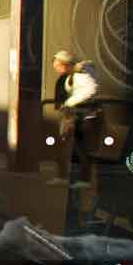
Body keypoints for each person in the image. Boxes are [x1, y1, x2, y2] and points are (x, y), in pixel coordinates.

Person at [51, 50, 100, 185]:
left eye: (58, 66)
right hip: (75, 114)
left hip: (81, 115)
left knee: (80, 146)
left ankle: (83, 179)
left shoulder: (80, 74)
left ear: (65, 64)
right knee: (71, 146)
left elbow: (90, 90)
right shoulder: (71, 75)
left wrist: (69, 103)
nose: (56, 69)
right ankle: (66, 177)